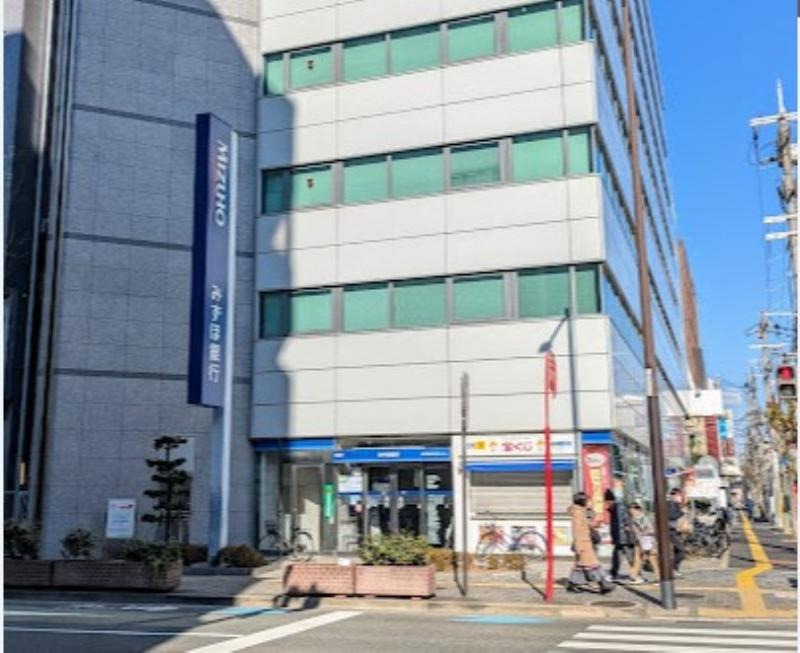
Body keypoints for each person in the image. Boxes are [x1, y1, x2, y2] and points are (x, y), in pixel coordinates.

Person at [567, 492, 614, 594]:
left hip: (585, 542)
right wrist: (579, 546)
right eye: (588, 501)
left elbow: (584, 525)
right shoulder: (578, 513)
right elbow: (577, 530)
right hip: (583, 543)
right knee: (593, 564)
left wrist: (593, 525)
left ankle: (572, 584)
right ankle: (603, 584)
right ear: (583, 501)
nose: (590, 503)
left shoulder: (580, 512)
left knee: (580, 566)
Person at [604, 488, 632, 581]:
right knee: (617, 556)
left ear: (610, 500)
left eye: (607, 502)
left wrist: (622, 536)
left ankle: (636, 573)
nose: (606, 504)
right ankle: (613, 573)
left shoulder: (619, 508)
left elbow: (623, 522)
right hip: (619, 538)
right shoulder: (613, 508)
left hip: (623, 537)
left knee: (629, 556)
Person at [628, 501, 658, 584]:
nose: (631, 513)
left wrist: (642, 532)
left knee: (651, 558)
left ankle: (658, 577)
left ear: (637, 510)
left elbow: (651, 529)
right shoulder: (635, 519)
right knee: (638, 558)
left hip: (646, 541)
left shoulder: (643, 518)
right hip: (640, 541)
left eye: (632, 511)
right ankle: (634, 576)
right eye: (630, 511)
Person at [667, 488, 688, 578]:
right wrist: (682, 512)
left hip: (676, 530)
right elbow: (671, 516)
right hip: (671, 530)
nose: (680, 497)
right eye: (678, 495)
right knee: (681, 550)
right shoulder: (671, 504)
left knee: (678, 550)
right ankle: (672, 568)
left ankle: (674, 569)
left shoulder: (676, 504)